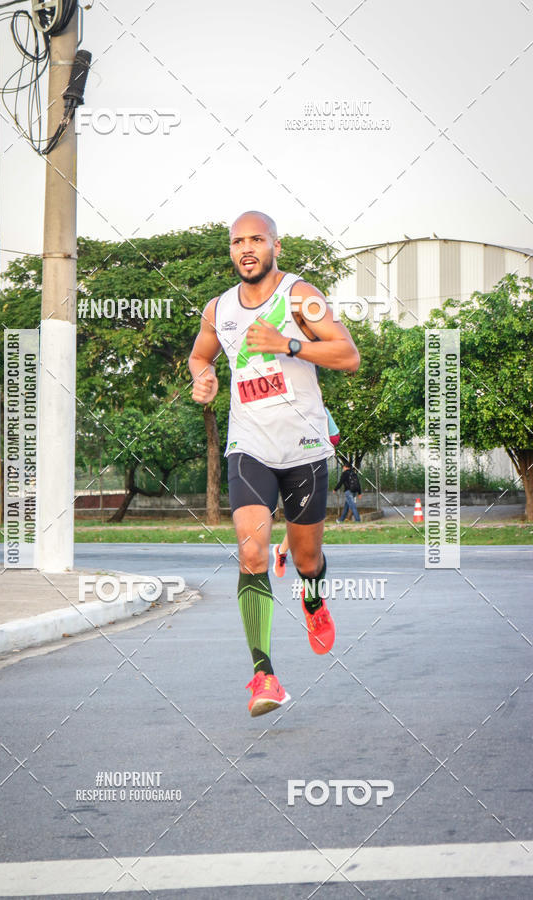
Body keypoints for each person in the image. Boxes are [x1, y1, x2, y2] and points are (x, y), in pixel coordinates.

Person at [189, 210, 360, 717]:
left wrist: (288, 344)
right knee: (251, 554)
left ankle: (313, 599)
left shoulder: (300, 296)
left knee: (307, 560)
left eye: (256, 239)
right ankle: (264, 675)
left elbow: (348, 355)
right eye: (237, 241)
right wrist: (203, 378)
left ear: (275, 246)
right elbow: (200, 356)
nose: (247, 248)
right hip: (250, 447)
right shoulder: (218, 309)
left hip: (304, 449)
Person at [272, 408, 340, 578]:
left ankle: (282, 553)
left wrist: (317, 439)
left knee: (303, 521)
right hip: (288, 468)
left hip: (312, 469)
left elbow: (335, 437)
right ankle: (283, 553)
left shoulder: (318, 407)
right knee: (299, 521)